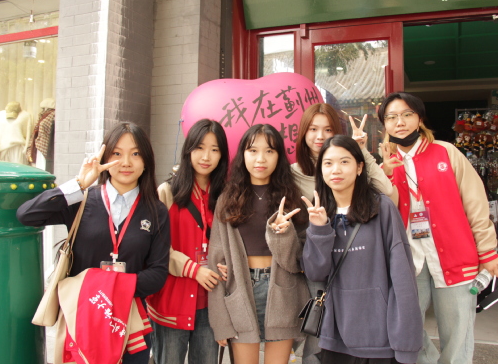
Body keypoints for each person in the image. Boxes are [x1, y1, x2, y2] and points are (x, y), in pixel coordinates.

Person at [17, 122, 170, 364]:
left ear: (146, 161)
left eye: (135, 154)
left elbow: (158, 275)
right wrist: (79, 184)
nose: (126, 162)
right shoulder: (82, 200)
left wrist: (104, 286)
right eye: (117, 153)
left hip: (130, 324)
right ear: (104, 158)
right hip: (82, 320)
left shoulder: (156, 211)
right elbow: (26, 215)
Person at [378, 92, 498, 364]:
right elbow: (381, 214)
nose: (400, 122)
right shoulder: (385, 166)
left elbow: (475, 202)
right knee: (406, 326)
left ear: (419, 118)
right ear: (385, 125)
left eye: (407, 114)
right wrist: (385, 173)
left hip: (455, 254)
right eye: (391, 117)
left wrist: (487, 251)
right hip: (408, 260)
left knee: (458, 331)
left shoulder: (446, 152)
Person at [301, 135, 422, 364]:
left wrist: (407, 345)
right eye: (328, 163)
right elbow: (316, 273)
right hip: (335, 337)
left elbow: (403, 278)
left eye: (344, 162)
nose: (336, 169)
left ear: (359, 168)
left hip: (379, 339)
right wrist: (318, 229)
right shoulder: (321, 213)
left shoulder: (382, 208)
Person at [291, 103, 395, 364]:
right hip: (311, 261)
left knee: (345, 334)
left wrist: (359, 150)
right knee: (316, 332)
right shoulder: (292, 173)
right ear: (303, 133)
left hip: (348, 258)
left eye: (328, 130)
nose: (320, 136)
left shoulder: (347, 167)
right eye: (313, 129)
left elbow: (386, 191)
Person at [207, 124, 311, 364]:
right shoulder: (227, 199)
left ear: (279, 156)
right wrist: (220, 322)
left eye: (269, 151)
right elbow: (216, 261)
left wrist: (284, 235)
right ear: (243, 155)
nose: (260, 159)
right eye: (253, 150)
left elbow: (299, 262)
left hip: (284, 291)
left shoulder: (291, 198)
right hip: (240, 289)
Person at [146, 119, 229, 364]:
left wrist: (228, 264)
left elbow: (232, 244)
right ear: (188, 150)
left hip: (211, 303)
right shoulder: (167, 192)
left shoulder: (225, 196)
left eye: (214, 149)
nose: (206, 156)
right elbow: (156, 248)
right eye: (200, 147)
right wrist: (194, 270)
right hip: (171, 303)